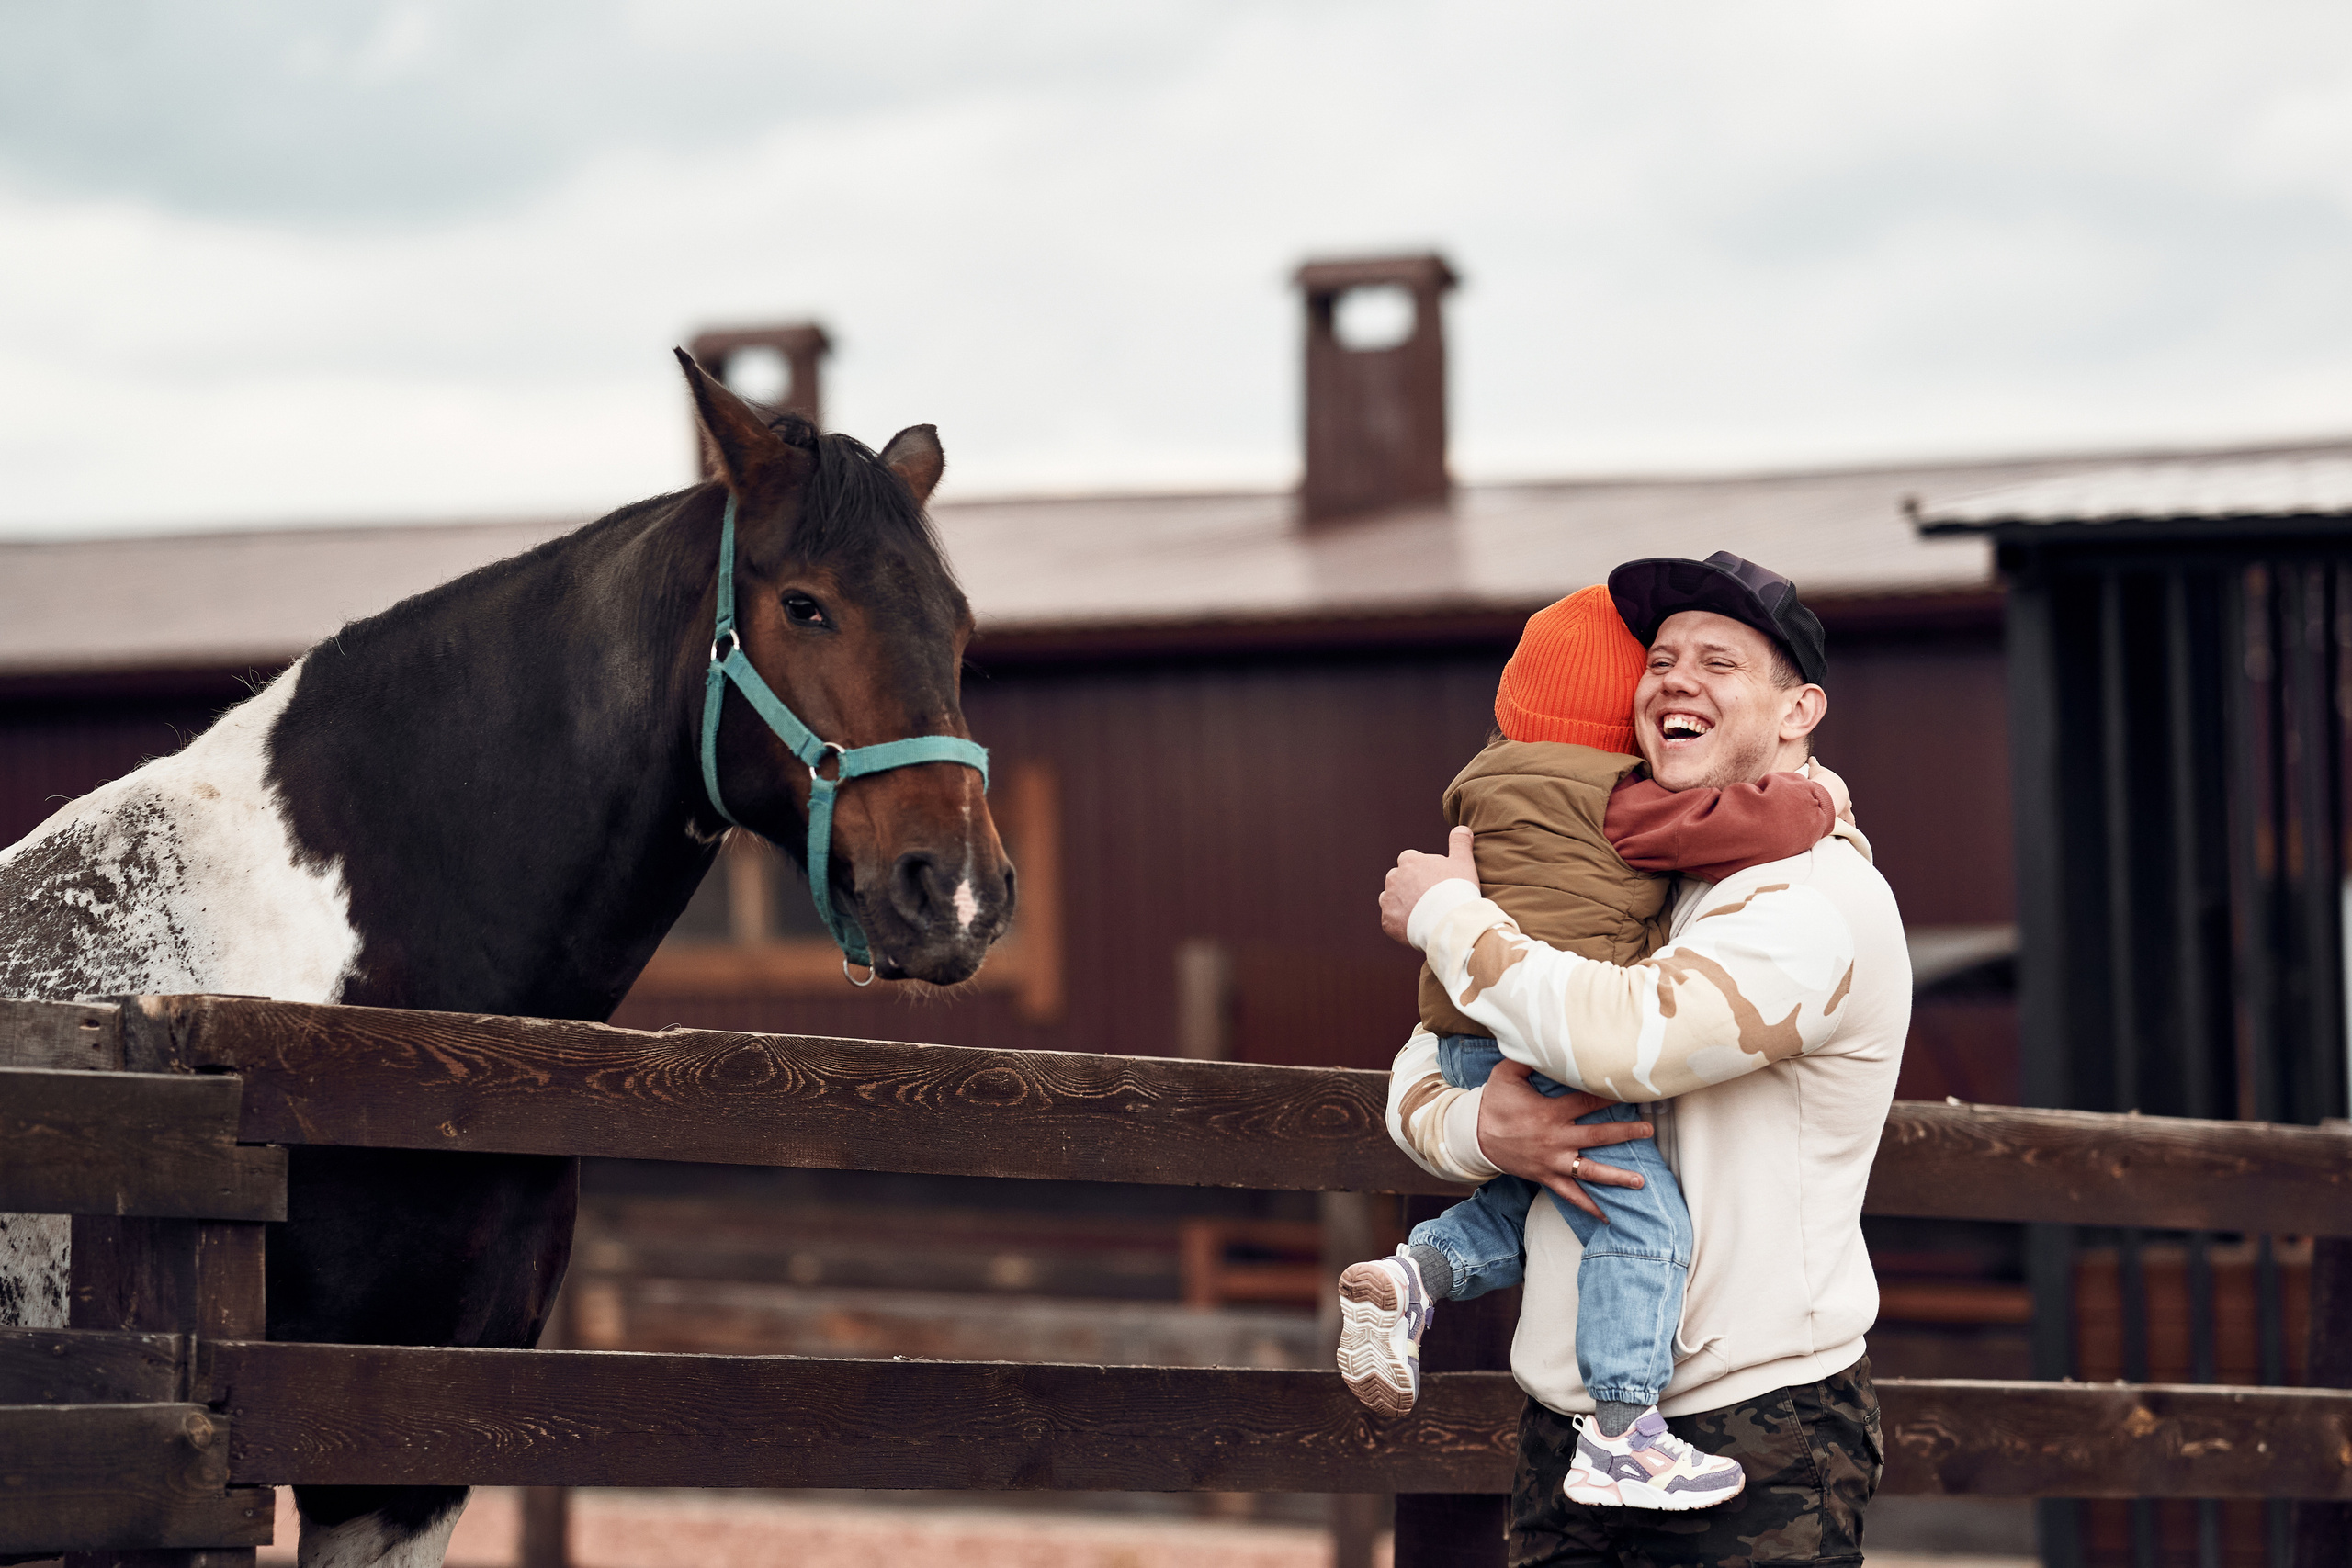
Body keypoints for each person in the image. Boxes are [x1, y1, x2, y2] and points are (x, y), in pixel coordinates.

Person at [1377, 552, 1910, 1567]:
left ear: (1798, 711)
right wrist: (1479, 1127)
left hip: (1755, 1426)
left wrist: (1448, 917)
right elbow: (1423, 1061)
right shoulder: (1637, 882)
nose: (1677, 678)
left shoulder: (1815, 900)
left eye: (1720, 661)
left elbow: (1629, 1039)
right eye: (1661, 660)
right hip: (1564, 1430)